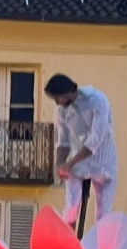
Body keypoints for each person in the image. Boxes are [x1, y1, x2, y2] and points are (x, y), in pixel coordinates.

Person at [44, 73, 118, 225]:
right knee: (70, 210)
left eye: (58, 98)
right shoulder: (61, 111)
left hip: (102, 161)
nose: (57, 102)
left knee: (103, 214)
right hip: (78, 163)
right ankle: (68, 244)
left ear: (67, 92)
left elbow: (95, 140)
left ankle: (98, 246)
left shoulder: (97, 101)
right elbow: (63, 141)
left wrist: (70, 163)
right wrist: (60, 164)